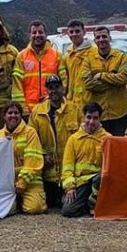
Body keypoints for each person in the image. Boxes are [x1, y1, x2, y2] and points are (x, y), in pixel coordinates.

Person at [28, 75, 82, 207]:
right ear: (46, 90)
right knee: (48, 204)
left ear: (62, 87)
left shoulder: (74, 110)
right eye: (50, 88)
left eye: (57, 87)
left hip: (69, 172)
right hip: (48, 173)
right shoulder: (37, 112)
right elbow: (31, 139)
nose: (54, 91)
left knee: (70, 205)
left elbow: (82, 137)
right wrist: (43, 154)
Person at [0, 101, 46, 214]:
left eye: (16, 113)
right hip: (8, 181)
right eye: (10, 113)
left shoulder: (30, 132)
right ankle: (16, 202)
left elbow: (33, 161)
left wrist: (22, 182)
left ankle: (22, 200)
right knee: (6, 211)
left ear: (21, 115)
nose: (13, 116)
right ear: (4, 116)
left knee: (35, 208)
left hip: (30, 180)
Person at [61, 102, 109, 218]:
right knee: (68, 211)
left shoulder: (108, 139)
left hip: (99, 183)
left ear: (100, 119)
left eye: (95, 118)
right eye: (89, 117)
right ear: (83, 117)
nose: (91, 122)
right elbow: (67, 167)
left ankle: (92, 202)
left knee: (100, 178)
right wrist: (70, 187)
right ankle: (88, 205)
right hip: (80, 183)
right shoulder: (73, 139)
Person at [81, 26, 127, 136]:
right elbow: (88, 83)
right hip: (99, 115)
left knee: (120, 148)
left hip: (120, 114)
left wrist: (101, 76)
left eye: (104, 36)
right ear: (94, 40)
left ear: (110, 38)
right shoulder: (88, 60)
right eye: (98, 37)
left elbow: (123, 79)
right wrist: (114, 83)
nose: (101, 39)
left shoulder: (122, 58)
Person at [12, 19, 66, 113]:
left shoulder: (57, 56)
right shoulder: (21, 57)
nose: (37, 35)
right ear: (30, 35)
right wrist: (22, 109)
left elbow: (64, 82)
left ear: (46, 34)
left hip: (52, 109)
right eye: (34, 32)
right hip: (29, 111)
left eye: (40, 32)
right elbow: (17, 87)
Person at [63, 19, 94, 104]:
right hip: (71, 103)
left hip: (88, 102)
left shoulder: (93, 53)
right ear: (68, 33)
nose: (74, 34)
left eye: (77, 31)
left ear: (84, 32)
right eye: (71, 32)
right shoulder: (67, 56)